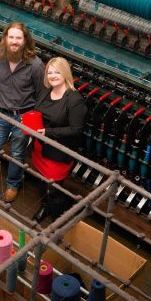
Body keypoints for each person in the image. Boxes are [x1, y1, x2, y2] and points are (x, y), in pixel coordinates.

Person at [0, 21, 43, 202]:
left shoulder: (36, 65)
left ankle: (13, 184)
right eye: (11, 37)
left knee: (17, 154)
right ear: (5, 38)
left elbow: (40, 93)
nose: (14, 41)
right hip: (1, 112)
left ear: (25, 41)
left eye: (18, 38)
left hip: (23, 115)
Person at [32, 57, 87, 222]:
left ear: (65, 74)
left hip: (58, 152)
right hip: (40, 146)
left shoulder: (74, 99)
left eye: (57, 72)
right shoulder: (45, 91)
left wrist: (48, 132)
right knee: (42, 181)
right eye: (49, 72)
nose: (52, 76)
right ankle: (45, 207)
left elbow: (76, 129)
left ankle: (58, 219)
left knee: (54, 188)